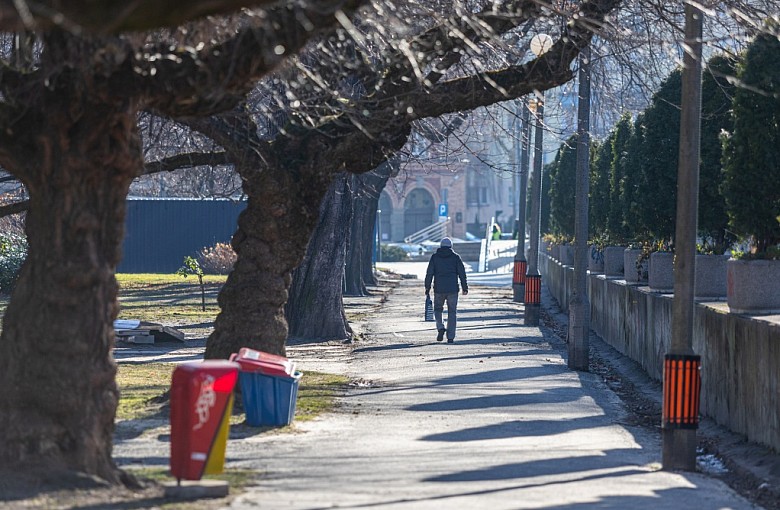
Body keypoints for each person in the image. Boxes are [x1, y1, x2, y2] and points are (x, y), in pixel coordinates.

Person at [424, 237, 468, 343]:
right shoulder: (455, 257)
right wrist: (464, 287)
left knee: (438, 309)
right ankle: (450, 337)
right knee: (452, 312)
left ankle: (440, 327)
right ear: (451, 246)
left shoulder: (435, 257)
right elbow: (462, 273)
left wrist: (427, 287)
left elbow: (429, 273)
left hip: (439, 288)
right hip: (453, 289)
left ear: (440, 246)